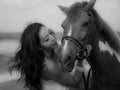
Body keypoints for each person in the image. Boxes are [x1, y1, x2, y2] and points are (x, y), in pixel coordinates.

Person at [9, 22, 85, 90]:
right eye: (46, 39)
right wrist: (80, 60)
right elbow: (75, 82)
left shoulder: (53, 50)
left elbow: (69, 56)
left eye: (50, 33)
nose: (52, 39)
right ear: (38, 47)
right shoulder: (48, 66)